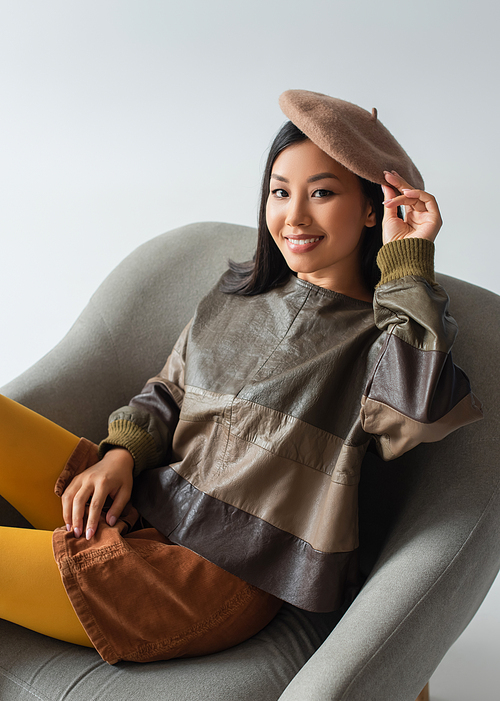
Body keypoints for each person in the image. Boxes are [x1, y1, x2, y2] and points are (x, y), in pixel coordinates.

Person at [0, 90, 483, 664]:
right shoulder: (241, 292)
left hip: (209, 580)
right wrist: (120, 455)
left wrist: (409, 263)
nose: (294, 216)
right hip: (143, 501)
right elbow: (169, 390)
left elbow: (416, 414)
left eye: (322, 193)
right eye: (280, 192)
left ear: (373, 208)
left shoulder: (385, 334)